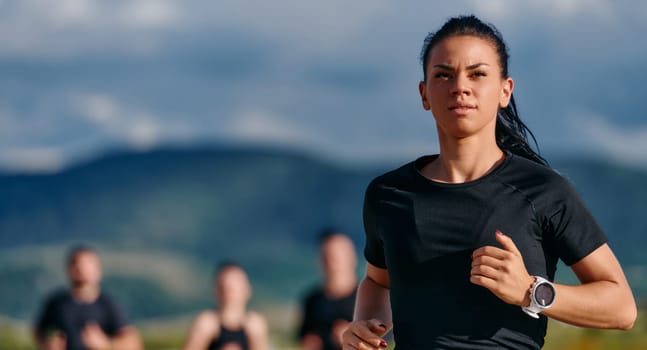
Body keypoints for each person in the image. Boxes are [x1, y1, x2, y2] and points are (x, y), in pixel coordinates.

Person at [341, 14, 637, 350]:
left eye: (477, 74)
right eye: (443, 75)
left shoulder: (543, 191)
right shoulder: (388, 194)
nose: (460, 87)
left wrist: (530, 291)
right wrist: (363, 328)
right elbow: (378, 282)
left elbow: (621, 308)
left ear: (504, 91)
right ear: (424, 94)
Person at [33, 245, 143, 350]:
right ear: (68, 269)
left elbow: (133, 343)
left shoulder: (108, 305)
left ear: (98, 271)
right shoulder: (57, 303)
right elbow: (38, 330)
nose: (80, 268)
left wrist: (106, 344)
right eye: (75, 263)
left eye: (86, 264)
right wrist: (47, 344)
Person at [182, 261, 268, 350]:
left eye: (235, 287)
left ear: (247, 289)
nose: (231, 293)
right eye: (228, 288)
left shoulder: (255, 325)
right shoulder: (207, 324)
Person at [298, 229, 358, 350]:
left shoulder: (367, 298)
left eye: (335, 257)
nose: (331, 263)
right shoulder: (312, 301)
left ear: (351, 258)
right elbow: (303, 337)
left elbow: (385, 338)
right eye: (326, 257)